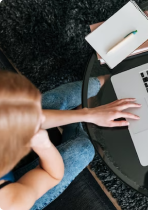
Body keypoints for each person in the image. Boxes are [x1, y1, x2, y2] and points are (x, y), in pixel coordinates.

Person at [0, 70, 140, 210]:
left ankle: (105, 80)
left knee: (48, 103)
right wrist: (43, 144)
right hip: (20, 194)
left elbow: (31, 118)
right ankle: (77, 120)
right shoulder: (11, 201)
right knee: (83, 150)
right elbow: (51, 175)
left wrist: (87, 114)